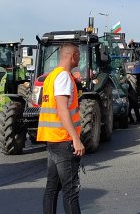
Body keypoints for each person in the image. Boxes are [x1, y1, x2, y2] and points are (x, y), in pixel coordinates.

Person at [39, 43, 85, 214]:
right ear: (72, 56)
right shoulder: (64, 77)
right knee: (70, 191)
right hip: (64, 140)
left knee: (52, 188)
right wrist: (76, 139)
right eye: (79, 55)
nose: (80, 58)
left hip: (52, 139)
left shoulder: (51, 76)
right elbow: (62, 109)